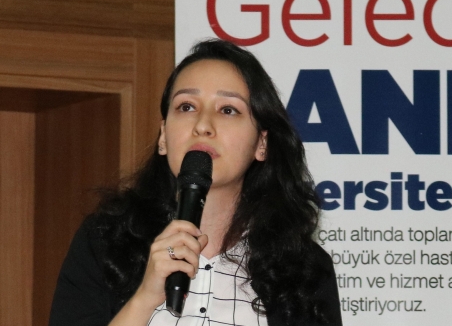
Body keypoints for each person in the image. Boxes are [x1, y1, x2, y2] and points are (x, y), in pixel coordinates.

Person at [49, 39, 342, 326]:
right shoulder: (105, 241)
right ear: (163, 136)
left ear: (261, 144)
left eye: (228, 110)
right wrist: (145, 297)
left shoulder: (303, 269)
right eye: (187, 107)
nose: (202, 125)